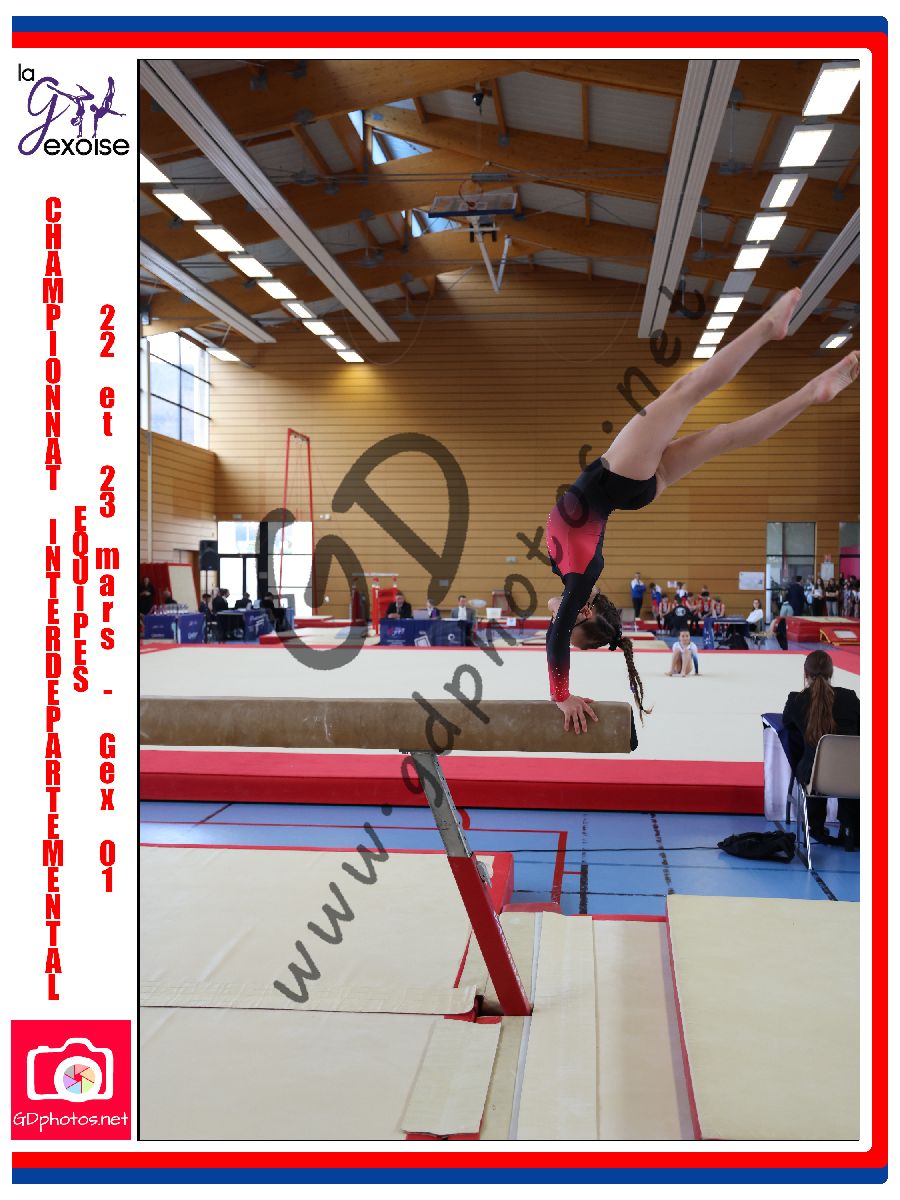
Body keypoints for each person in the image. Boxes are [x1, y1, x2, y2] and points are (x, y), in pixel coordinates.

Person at [544, 288, 859, 732]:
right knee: (688, 389)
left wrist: (581, 637)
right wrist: (561, 695)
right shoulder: (578, 580)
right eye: (570, 627)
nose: (553, 618)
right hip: (619, 477)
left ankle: (812, 393)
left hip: (633, 489)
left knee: (725, 436)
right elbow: (557, 635)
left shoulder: (576, 579)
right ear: (582, 614)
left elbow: (559, 624)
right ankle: (768, 329)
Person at [782, 649, 860, 848]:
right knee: (846, 764)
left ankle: (814, 826)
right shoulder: (851, 698)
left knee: (810, 761)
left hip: (816, 779)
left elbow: (786, 724)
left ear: (805, 674)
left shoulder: (796, 700)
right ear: (831, 673)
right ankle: (851, 828)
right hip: (853, 778)